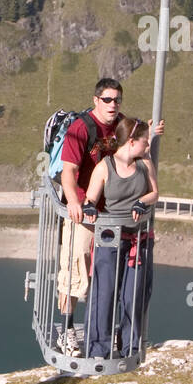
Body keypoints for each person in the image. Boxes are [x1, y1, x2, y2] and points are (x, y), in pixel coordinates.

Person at [55, 78, 162, 354]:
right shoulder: (80, 129)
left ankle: (114, 335)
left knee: (109, 276)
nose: (113, 105)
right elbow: (69, 171)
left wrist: (150, 131)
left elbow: (133, 139)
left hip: (113, 211)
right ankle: (66, 329)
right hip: (86, 208)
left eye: (117, 100)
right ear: (96, 100)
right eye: (107, 100)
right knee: (77, 264)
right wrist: (75, 201)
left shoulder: (121, 124)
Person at [82, 116, 158, 359]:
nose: (148, 146)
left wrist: (141, 201)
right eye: (145, 142)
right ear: (132, 141)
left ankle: (130, 350)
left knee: (132, 297)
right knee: (104, 294)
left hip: (139, 239)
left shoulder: (145, 164)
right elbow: (91, 199)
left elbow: (155, 193)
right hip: (110, 239)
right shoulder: (105, 166)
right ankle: (98, 350)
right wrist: (90, 208)